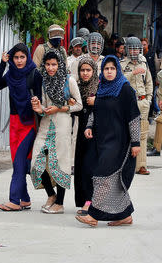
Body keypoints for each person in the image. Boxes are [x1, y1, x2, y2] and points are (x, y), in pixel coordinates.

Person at [76, 55, 140, 227]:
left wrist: (136, 143)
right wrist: (89, 126)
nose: (109, 72)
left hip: (120, 141)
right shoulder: (102, 87)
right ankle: (125, 215)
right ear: (102, 71)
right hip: (102, 139)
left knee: (101, 174)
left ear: (117, 70)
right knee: (111, 178)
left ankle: (93, 215)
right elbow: (95, 111)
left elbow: (134, 117)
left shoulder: (125, 89)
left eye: (112, 68)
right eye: (106, 69)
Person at [30, 49, 83, 214]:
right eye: (47, 64)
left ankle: (59, 203)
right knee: (36, 162)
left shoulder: (69, 81)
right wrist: (39, 109)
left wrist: (60, 108)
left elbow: (79, 105)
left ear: (60, 64)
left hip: (63, 125)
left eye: (54, 64)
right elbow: (45, 108)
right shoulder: (44, 81)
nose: (51, 68)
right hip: (46, 125)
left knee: (60, 163)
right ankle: (51, 195)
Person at [0, 43, 42, 211]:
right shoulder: (11, 73)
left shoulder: (34, 74)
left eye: (22, 57)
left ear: (27, 57)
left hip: (28, 124)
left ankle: (14, 200)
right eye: (16, 57)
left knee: (20, 160)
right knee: (17, 161)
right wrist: (2, 64)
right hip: (14, 123)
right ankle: (25, 199)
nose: (19, 61)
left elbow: (40, 100)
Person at [120, 37, 153, 175]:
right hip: (128, 103)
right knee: (126, 133)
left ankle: (141, 165)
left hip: (143, 101)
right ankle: (125, 165)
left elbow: (149, 82)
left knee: (143, 134)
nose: (134, 51)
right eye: (132, 48)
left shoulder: (144, 63)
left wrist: (149, 99)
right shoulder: (121, 64)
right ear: (127, 49)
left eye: (137, 49)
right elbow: (119, 81)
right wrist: (132, 73)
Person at [73, 57, 99, 216]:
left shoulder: (100, 87)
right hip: (81, 130)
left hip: (95, 132)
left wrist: (97, 102)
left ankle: (91, 201)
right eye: (82, 70)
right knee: (81, 166)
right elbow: (78, 109)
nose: (85, 73)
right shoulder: (77, 86)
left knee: (91, 166)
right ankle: (84, 200)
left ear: (94, 71)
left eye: (88, 70)